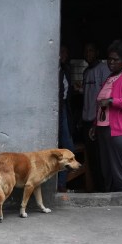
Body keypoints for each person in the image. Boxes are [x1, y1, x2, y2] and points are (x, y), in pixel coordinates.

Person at [89, 40, 122, 192]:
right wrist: (95, 125)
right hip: (104, 130)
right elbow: (102, 104)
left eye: (116, 59)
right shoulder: (110, 78)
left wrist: (113, 101)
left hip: (121, 133)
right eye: (109, 59)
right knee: (107, 172)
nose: (111, 62)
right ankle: (110, 206)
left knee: (121, 174)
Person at [80, 42, 110, 191]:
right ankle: (95, 189)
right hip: (86, 120)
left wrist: (97, 121)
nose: (88, 54)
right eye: (86, 51)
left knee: (100, 157)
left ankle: (103, 189)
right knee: (91, 158)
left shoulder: (103, 70)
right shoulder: (86, 72)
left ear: (97, 52)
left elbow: (105, 95)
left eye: (91, 50)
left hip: (97, 121)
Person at [57, 45, 75, 192]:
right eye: (61, 51)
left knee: (67, 147)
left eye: (65, 52)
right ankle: (57, 185)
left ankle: (61, 185)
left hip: (63, 109)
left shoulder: (65, 70)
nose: (63, 55)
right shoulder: (53, 71)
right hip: (55, 110)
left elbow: (67, 96)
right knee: (59, 148)